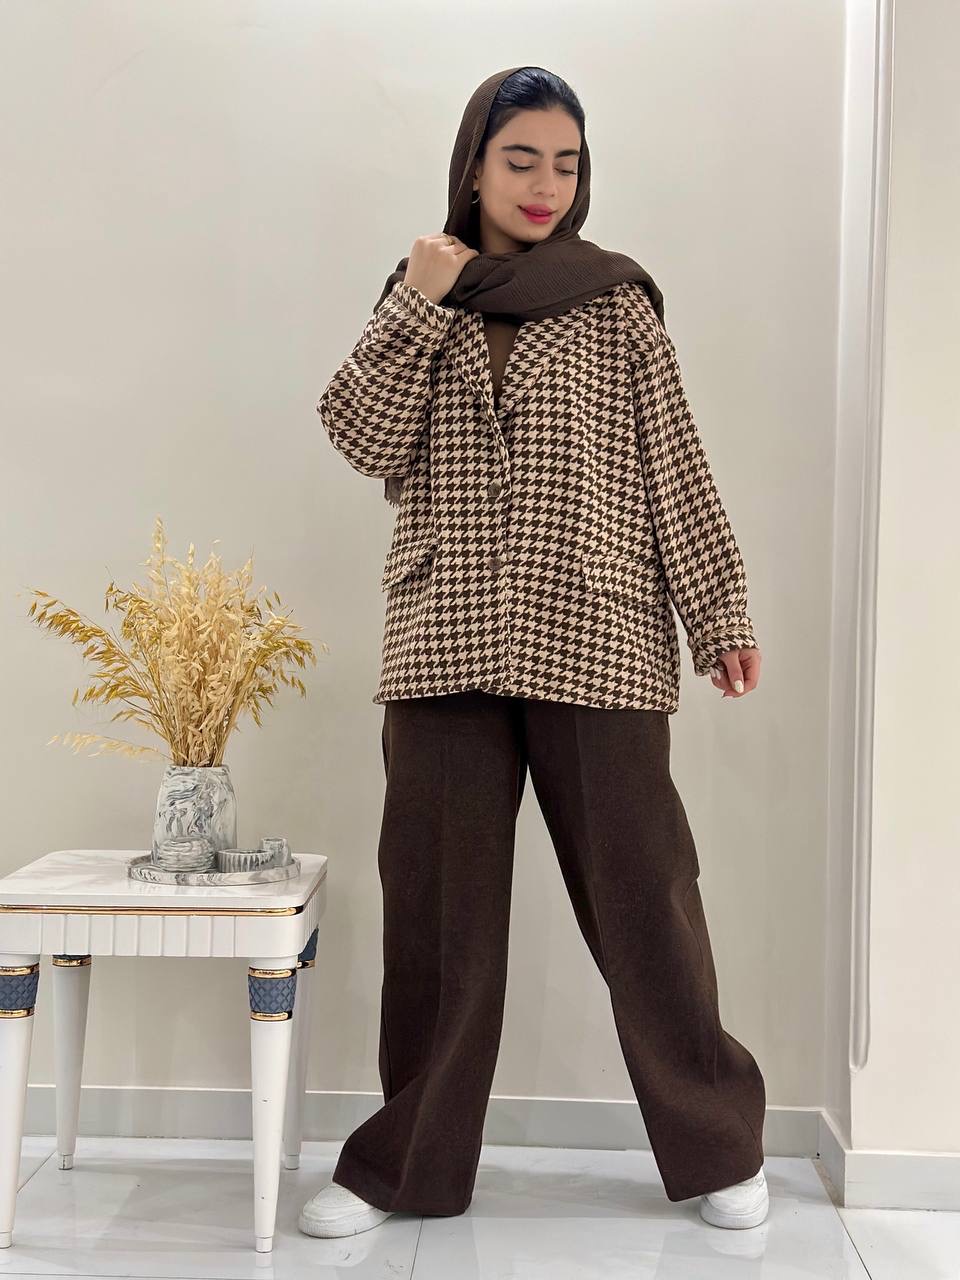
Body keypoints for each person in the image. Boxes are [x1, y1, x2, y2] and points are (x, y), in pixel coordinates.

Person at [301, 65, 768, 1239]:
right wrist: (418, 301)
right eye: (521, 159)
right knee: (438, 921)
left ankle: (718, 1144)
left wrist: (719, 613)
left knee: (648, 904)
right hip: (444, 635)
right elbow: (361, 435)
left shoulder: (617, 302)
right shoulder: (421, 294)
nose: (545, 183)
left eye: (566, 161)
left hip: (599, 631)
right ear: (473, 166)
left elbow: (675, 464)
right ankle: (404, 1166)